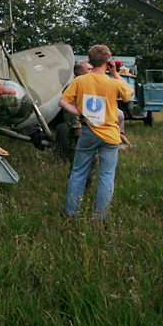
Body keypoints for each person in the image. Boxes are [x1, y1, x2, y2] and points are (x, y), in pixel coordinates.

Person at [58, 44, 134, 220]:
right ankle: (99, 217)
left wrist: (78, 112)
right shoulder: (113, 83)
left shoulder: (79, 81)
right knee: (106, 176)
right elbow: (129, 92)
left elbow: (62, 102)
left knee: (78, 173)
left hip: (88, 132)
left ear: (90, 61)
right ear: (107, 62)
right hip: (111, 135)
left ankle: (71, 213)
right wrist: (115, 74)